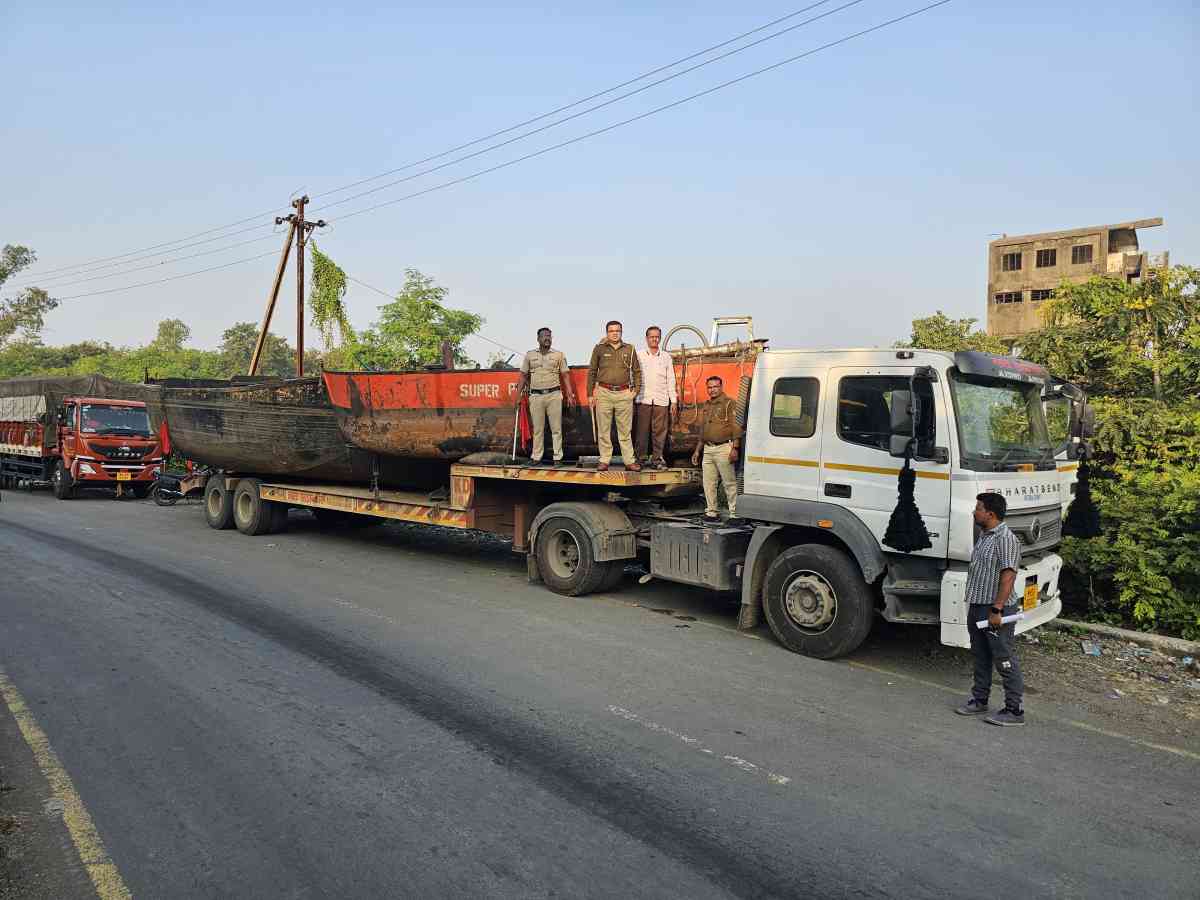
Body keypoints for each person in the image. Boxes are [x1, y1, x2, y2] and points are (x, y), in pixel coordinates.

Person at [955, 492, 1026, 726]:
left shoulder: (1005, 539)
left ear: (990, 514)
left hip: (996, 609)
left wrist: (997, 609)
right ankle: (979, 700)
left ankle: (1014, 711)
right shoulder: (985, 536)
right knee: (980, 656)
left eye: (978, 508)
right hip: (978, 606)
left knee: (1003, 657)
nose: (974, 512)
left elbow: (1008, 576)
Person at [587, 321, 642, 472]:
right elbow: (592, 371)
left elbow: (637, 371)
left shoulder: (630, 349)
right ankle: (604, 460)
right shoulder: (599, 349)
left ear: (622, 332)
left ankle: (629, 461)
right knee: (604, 430)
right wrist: (590, 394)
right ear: (607, 333)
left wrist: (635, 391)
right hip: (603, 392)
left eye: (617, 330)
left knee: (625, 430)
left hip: (624, 393)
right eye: (611, 331)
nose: (615, 333)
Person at [516, 327, 575, 466]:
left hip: (554, 394)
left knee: (556, 429)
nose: (547, 338)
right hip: (536, 396)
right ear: (538, 339)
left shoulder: (559, 355)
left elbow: (565, 375)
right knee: (538, 429)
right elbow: (523, 375)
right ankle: (536, 457)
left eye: (549, 336)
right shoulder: (530, 355)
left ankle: (557, 458)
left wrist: (570, 394)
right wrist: (517, 396)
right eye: (544, 336)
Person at [691, 375, 742, 522]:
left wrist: (735, 448)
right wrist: (697, 450)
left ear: (721, 387)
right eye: (710, 387)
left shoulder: (729, 403)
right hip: (707, 449)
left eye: (715, 387)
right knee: (708, 482)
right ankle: (712, 512)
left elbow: (736, 427)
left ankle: (735, 513)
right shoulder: (706, 405)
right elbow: (703, 430)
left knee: (729, 482)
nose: (712, 390)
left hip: (723, 448)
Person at [634, 325, 678, 470]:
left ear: (660, 338)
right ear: (647, 338)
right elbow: (633, 375)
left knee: (660, 432)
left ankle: (657, 459)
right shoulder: (639, 355)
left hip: (661, 400)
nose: (654, 339)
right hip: (643, 399)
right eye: (651, 336)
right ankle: (640, 459)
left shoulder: (666, 357)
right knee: (641, 432)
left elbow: (671, 379)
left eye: (657, 336)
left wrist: (674, 400)